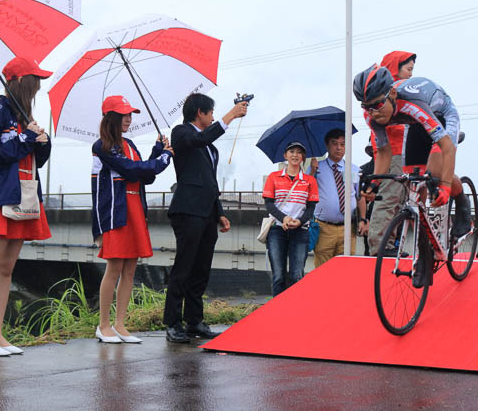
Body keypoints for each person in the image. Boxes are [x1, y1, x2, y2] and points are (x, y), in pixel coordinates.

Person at [0, 57, 53, 356]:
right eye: (34, 82)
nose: (38, 88)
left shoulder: (21, 115)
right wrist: (27, 136)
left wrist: (41, 142)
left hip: (25, 195)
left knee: (6, 268)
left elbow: (34, 160)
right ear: (19, 82)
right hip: (1, 196)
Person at [354, 65, 472, 268]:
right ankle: (425, 251)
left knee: (434, 173)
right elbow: (383, 152)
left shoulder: (411, 103)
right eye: (368, 107)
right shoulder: (371, 114)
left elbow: (447, 148)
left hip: (441, 116)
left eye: (378, 105)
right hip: (415, 124)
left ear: (391, 93)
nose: (374, 112)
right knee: (414, 183)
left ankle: (462, 203)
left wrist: (444, 185)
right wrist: (374, 183)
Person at [163, 93, 247, 343]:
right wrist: (230, 115)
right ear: (199, 112)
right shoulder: (181, 133)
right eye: (210, 112)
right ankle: (172, 322)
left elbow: (210, 182)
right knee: (184, 266)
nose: (212, 116)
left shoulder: (210, 147)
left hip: (207, 212)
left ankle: (194, 321)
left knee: (201, 269)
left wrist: (219, 212)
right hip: (187, 210)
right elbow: (199, 139)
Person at [91, 96, 174, 344]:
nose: (129, 119)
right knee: (114, 267)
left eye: (130, 114)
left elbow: (145, 176)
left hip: (135, 207)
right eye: (124, 114)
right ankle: (103, 325)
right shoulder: (102, 145)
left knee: (130, 269)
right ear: (111, 118)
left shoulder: (130, 144)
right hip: (116, 212)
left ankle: (120, 325)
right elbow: (131, 170)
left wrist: (158, 150)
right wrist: (164, 158)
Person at [263, 141, 319, 296]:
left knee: (297, 276)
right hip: (276, 230)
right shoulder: (273, 177)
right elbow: (269, 204)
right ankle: (277, 314)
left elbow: (311, 207)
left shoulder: (310, 181)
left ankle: (295, 313)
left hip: (300, 231)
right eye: (292, 151)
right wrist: (284, 218)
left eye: (299, 152)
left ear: (303, 157)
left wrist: (299, 221)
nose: (295, 155)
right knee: (279, 276)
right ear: (285, 155)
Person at [308, 129, 365, 266]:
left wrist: (363, 219)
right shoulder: (317, 168)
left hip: (348, 227)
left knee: (345, 269)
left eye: (343, 144)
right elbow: (305, 191)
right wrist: (312, 172)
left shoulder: (355, 170)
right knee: (322, 271)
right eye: (335, 143)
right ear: (327, 146)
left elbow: (360, 196)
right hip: (324, 228)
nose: (339, 148)